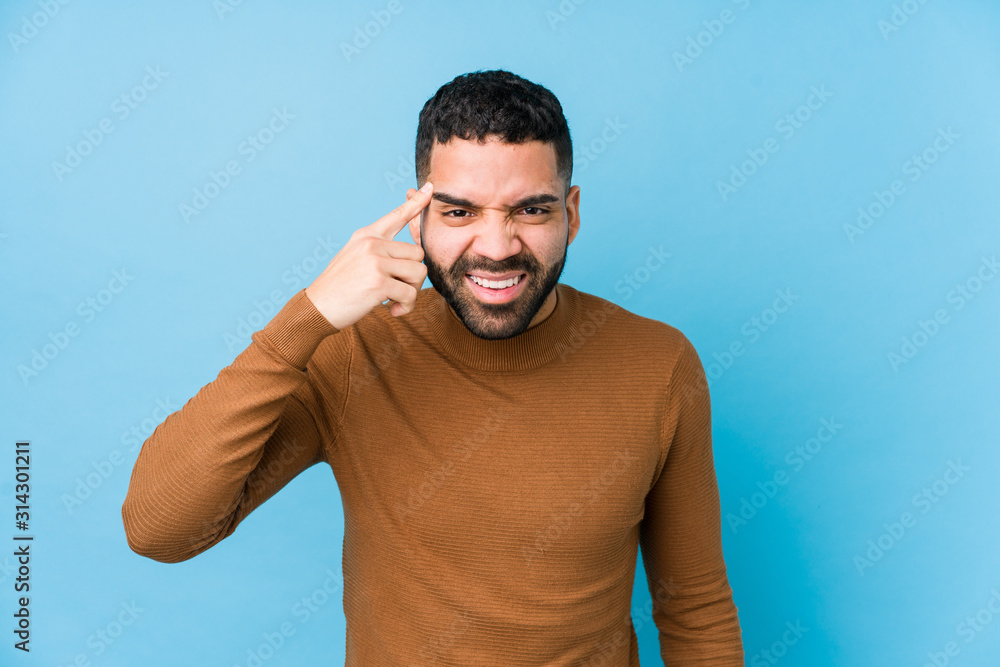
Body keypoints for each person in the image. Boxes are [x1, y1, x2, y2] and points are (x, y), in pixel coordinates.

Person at [121, 68, 744, 665]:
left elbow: (695, 609)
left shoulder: (660, 366)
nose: (496, 248)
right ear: (418, 214)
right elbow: (160, 529)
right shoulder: (352, 355)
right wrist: (303, 322)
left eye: (531, 210)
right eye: (459, 212)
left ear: (571, 214)